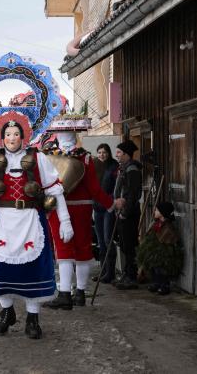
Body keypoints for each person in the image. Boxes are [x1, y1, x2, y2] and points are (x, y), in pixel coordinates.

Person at [0, 116, 73, 339]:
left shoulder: (39, 159)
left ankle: (33, 318)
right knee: (0, 269)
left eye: (16, 134)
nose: (12, 138)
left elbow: (55, 190)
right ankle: (7, 312)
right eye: (8, 135)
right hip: (4, 221)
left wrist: (65, 220)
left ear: (23, 137)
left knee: (33, 271)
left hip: (32, 221)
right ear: (1, 138)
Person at [43, 133, 122, 310]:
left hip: (59, 207)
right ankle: (80, 293)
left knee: (64, 249)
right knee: (83, 249)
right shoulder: (86, 158)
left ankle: (64, 293)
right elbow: (94, 189)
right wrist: (111, 204)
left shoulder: (50, 156)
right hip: (83, 209)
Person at [113, 140, 143, 290]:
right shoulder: (124, 168)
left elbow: (132, 194)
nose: (116, 155)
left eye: (119, 152)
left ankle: (131, 277)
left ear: (126, 154)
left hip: (129, 213)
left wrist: (125, 212)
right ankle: (126, 273)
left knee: (130, 245)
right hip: (122, 212)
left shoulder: (132, 170)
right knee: (124, 245)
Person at [136, 201, 183, 295]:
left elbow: (169, 239)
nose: (155, 212)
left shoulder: (167, 227)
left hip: (164, 254)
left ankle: (164, 285)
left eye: (157, 210)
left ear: (163, 213)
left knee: (161, 268)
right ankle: (156, 283)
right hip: (155, 252)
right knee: (153, 266)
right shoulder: (156, 223)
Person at [92, 143, 119, 283]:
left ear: (109, 153)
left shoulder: (114, 167)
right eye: (99, 152)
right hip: (97, 207)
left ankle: (110, 272)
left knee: (108, 239)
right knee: (100, 240)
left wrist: (111, 202)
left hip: (109, 207)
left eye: (104, 152)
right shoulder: (94, 166)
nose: (102, 155)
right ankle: (103, 271)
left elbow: (116, 187)